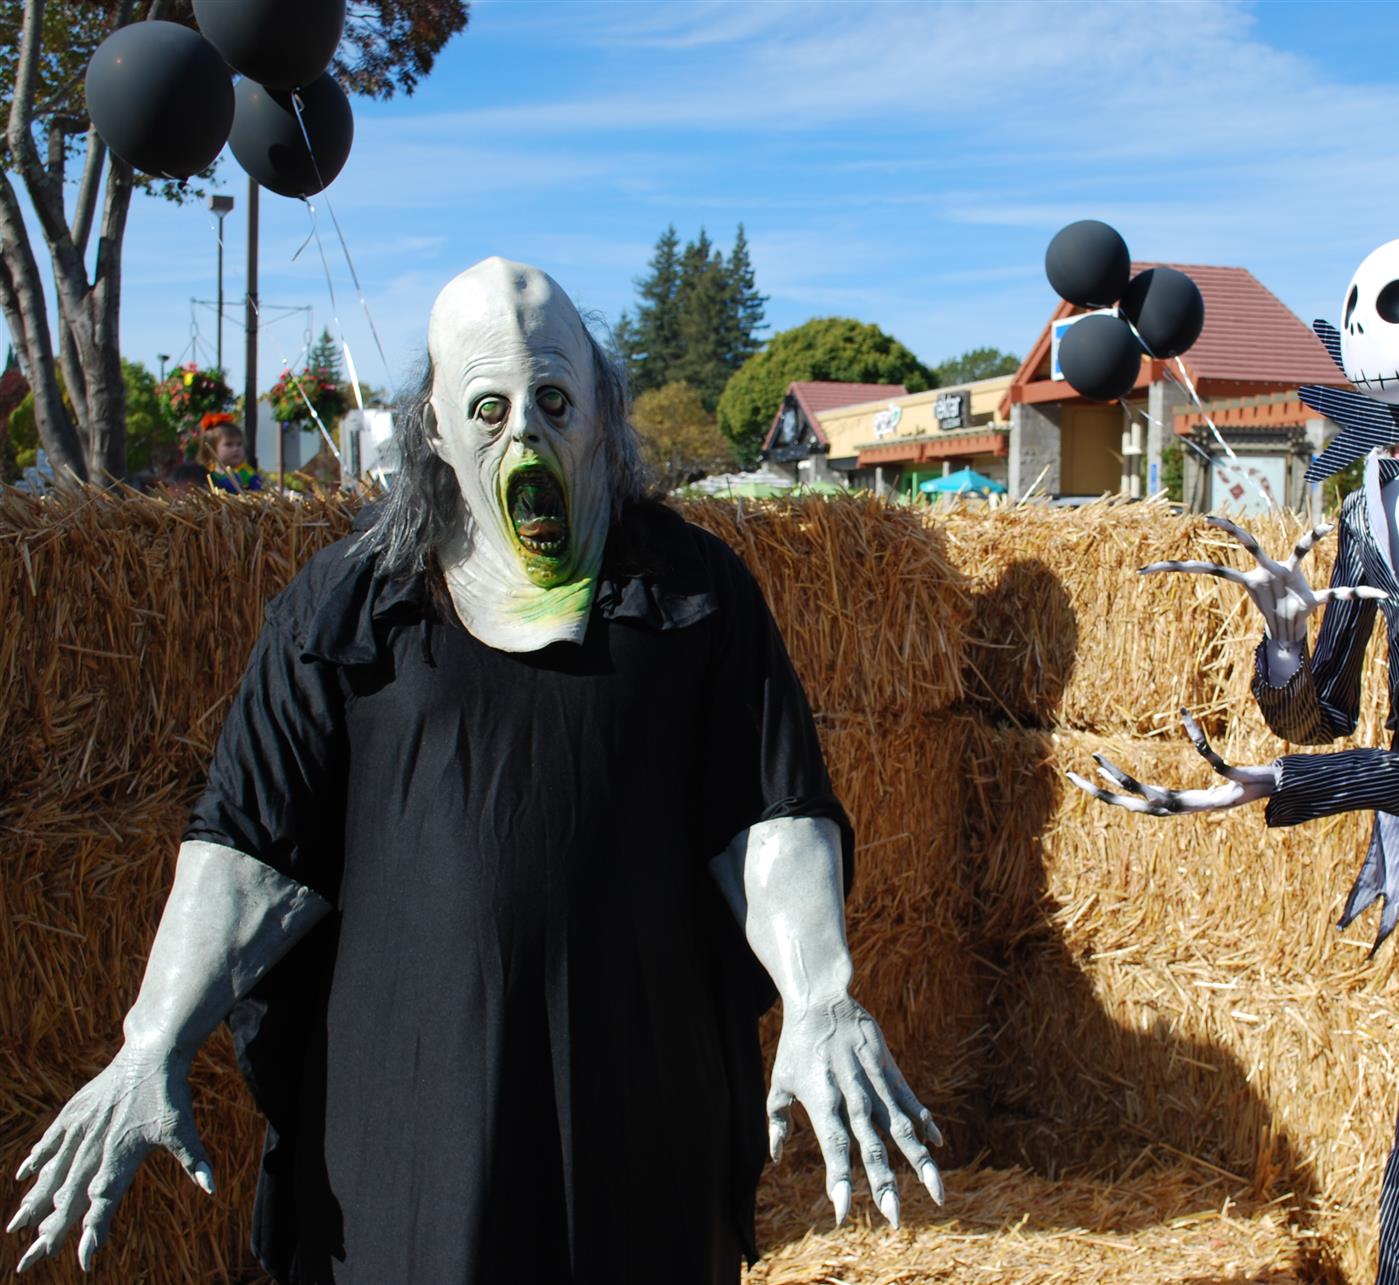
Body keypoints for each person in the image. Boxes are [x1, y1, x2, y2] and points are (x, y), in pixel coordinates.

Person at [9, 259, 942, 1283]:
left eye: (552, 401)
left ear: (602, 414)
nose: (526, 438)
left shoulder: (689, 592)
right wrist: (152, 1039)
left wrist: (820, 994)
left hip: (640, 1122)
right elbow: (249, 843)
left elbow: (768, 808)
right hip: (411, 1136)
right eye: (490, 408)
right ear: (436, 431)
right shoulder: (350, 607)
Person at [1069, 239, 1399, 1285]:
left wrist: (1338, 783)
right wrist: (1287, 646)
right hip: (1397, 806)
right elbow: (1321, 713)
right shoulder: (1364, 507)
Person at [198, 415, 264, 493]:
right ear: (211, 449)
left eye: (239, 444)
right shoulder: (206, 474)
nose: (236, 449)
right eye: (229, 444)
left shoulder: (247, 474)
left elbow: (258, 493)